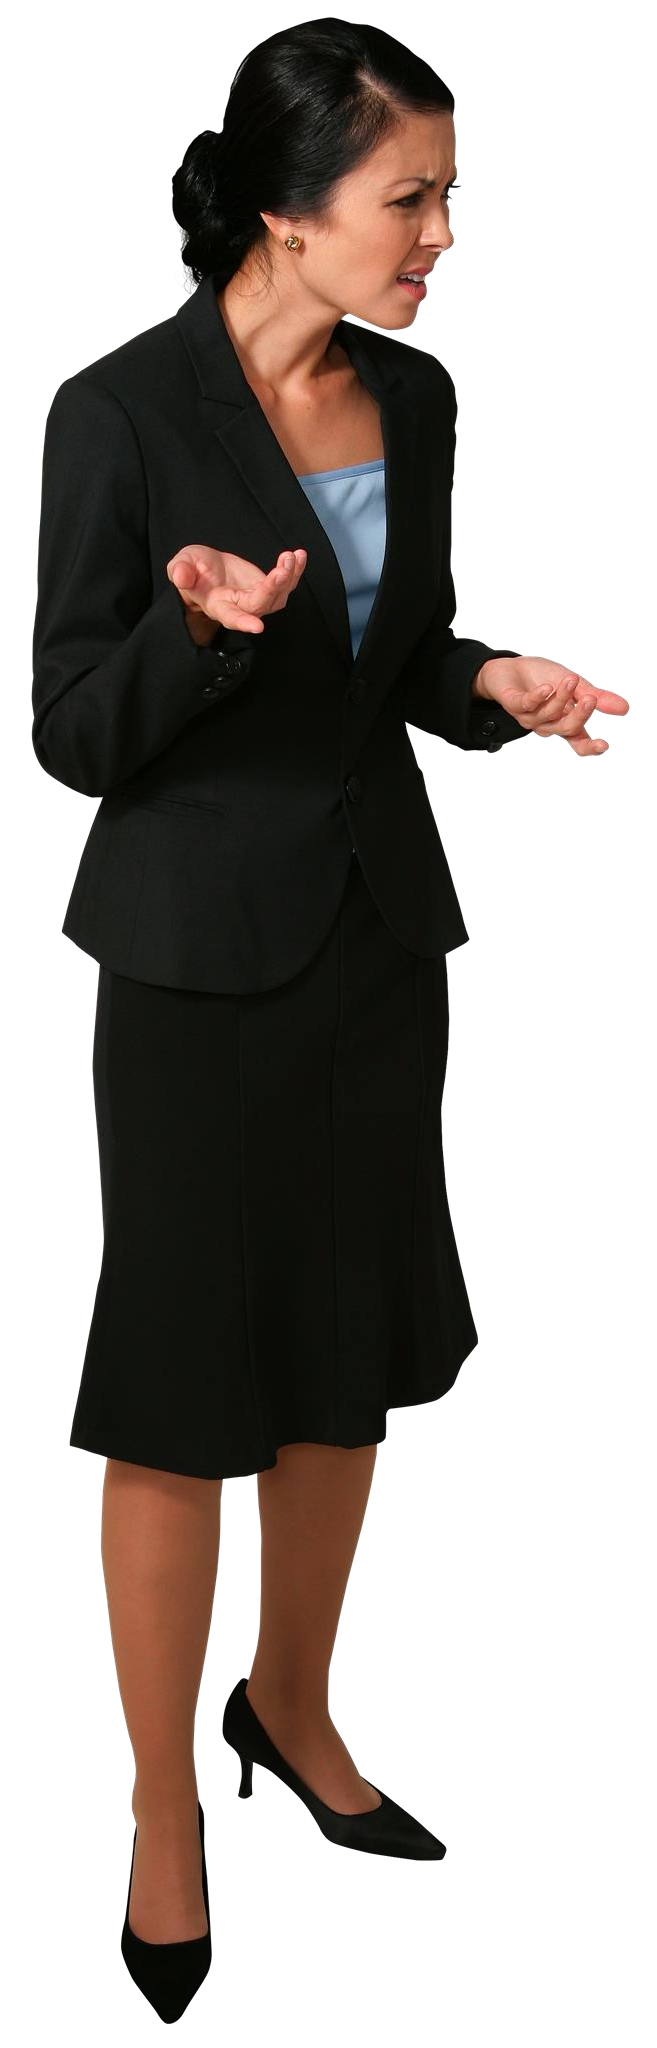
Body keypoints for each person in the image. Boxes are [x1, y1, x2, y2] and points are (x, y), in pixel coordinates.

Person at [31, 22, 536, 2022]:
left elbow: (405, 658)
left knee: (346, 1358)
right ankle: (162, 1806)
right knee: (179, 1383)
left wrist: (491, 684)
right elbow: (70, 731)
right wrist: (190, 631)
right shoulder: (116, 409)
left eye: (448, 196)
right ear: (284, 210)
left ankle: (294, 1706)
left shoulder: (415, 394)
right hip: (186, 965)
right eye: (409, 197)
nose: (441, 234)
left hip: (372, 942)